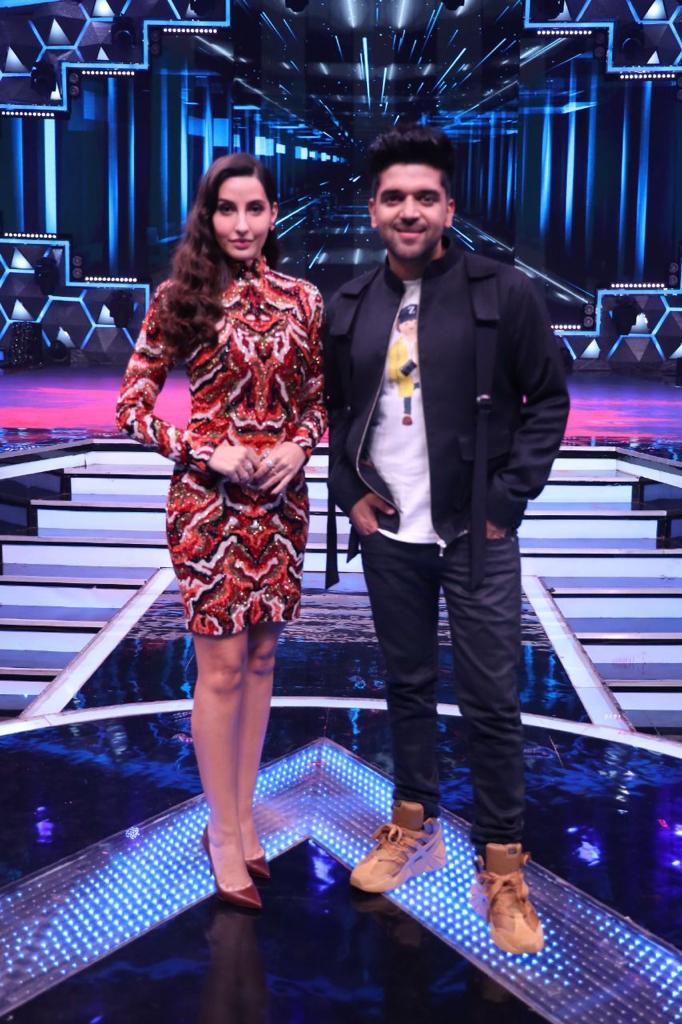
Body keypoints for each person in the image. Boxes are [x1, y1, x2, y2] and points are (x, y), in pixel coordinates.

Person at [323, 125, 569, 954]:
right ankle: (413, 822)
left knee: (493, 700)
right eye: (394, 197)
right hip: (391, 531)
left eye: (425, 197)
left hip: (475, 532)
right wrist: (351, 495)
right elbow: (336, 413)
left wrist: (507, 501)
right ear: (373, 210)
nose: (410, 210)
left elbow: (548, 399)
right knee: (408, 685)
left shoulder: (503, 291)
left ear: (448, 209)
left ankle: (501, 864)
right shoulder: (350, 305)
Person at [116, 154, 326, 909]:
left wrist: (300, 446)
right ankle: (225, 828)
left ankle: (238, 813)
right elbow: (131, 407)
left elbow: (317, 400)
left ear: (273, 214)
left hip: (281, 507)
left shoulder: (303, 299)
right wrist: (205, 450)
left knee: (263, 661)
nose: (242, 224)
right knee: (222, 670)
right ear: (207, 217)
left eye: (255, 208)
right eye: (227, 209)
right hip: (208, 508)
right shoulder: (182, 298)